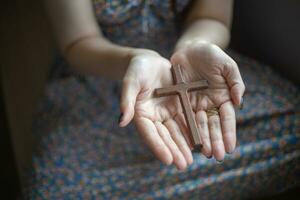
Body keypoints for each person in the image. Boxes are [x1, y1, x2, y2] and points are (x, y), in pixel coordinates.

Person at [24, 0, 300, 199]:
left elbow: (212, 17)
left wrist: (194, 45)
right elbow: (78, 43)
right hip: (104, 71)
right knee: (48, 190)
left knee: (294, 131)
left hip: (192, 67)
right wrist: (135, 59)